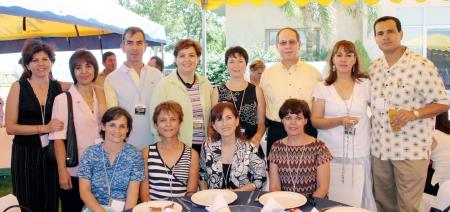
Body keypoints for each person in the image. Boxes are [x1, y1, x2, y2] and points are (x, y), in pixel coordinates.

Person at [369, 16, 449, 212]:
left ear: (401, 34)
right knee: (383, 204)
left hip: (410, 150)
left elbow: (443, 102)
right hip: (380, 150)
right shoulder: (374, 67)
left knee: (408, 207)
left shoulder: (421, 65)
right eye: (380, 33)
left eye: (390, 31)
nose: (385, 37)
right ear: (376, 39)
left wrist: (414, 113)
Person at [5, 39, 70, 212]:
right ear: (27, 65)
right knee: (26, 202)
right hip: (24, 154)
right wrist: (44, 128)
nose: (41, 63)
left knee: (50, 200)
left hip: (51, 153)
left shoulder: (60, 87)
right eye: (35, 60)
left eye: (45, 59)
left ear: (51, 62)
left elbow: (88, 86)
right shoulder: (18, 87)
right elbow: (10, 127)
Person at [311, 40, 376, 211]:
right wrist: (339, 120)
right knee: (332, 199)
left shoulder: (366, 85)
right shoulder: (322, 87)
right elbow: (315, 120)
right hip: (330, 152)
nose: (343, 59)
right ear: (332, 60)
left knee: (359, 198)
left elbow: (378, 114)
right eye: (338, 55)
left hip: (359, 151)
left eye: (349, 55)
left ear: (355, 59)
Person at [49, 49, 107, 212]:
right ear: (73, 71)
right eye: (78, 67)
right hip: (74, 170)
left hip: (100, 169)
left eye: (88, 66)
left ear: (95, 68)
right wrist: (62, 171)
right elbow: (58, 139)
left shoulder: (101, 95)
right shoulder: (63, 99)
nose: (84, 71)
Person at [260, 27, 322, 158]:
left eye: (292, 42)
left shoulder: (314, 73)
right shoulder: (267, 74)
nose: (287, 46)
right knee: (275, 175)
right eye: (283, 43)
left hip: (307, 131)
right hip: (277, 131)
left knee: (308, 175)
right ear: (277, 46)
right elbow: (262, 105)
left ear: (299, 44)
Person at [104, 27, 163, 150]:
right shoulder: (111, 79)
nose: (134, 47)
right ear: (123, 47)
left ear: (145, 46)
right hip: (125, 145)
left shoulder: (157, 75)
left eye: (139, 43)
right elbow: (112, 118)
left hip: (155, 143)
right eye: (130, 43)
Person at [150, 39, 213, 153]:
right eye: (182, 55)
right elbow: (154, 121)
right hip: (175, 148)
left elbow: (212, 117)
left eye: (191, 55)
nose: (187, 59)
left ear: (198, 59)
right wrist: (164, 149)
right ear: (175, 59)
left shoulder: (206, 84)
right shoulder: (164, 85)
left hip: (205, 148)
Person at [78, 107, 145, 211]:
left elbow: (132, 194)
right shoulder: (90, 153)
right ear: (103, 126)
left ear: (127, 130)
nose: (117, 130)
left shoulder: (135, 155)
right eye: (112, 125)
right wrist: (99, 210)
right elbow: (84, 191)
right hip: (94, 209)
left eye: (122, 126)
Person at [268, 99, 332, 198]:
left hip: (313, 205)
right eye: (288, 118)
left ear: (305, 121)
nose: (293, 123)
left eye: (298, 118)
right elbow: (274, 187)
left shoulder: (319, 147)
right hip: (285, 204)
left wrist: (307, 207)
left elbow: (323, 187)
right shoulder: (276, 147)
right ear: (282, 121)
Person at [200, 102, 266, 191]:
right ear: (214, 126)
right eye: (219, 119)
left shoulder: (250, 148)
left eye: (229, 118)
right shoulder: (207, 147)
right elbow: (202, 175)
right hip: (214, 201)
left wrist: (236, 192)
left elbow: (260, 179)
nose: (224, 123)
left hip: (242, 201)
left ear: (237, 121)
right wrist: (205, 193)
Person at [140, 101, 199, 201]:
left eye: (173, 119)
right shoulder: (146, 153)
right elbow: (144, 193)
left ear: (180, 123)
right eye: (163, 120)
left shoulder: (192, 154)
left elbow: (191, 192)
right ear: (156, 125)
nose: (168, 124)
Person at [211, 46, 266, 148]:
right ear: (226, 65)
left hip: (250, 146)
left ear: (246, 64)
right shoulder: (217, 92)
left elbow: (261, 123)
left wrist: (257, 137)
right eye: (231, 61)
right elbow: (213, 123)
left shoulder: (256, 91)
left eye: (240, 61)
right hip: (224, 147)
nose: (236, 65)